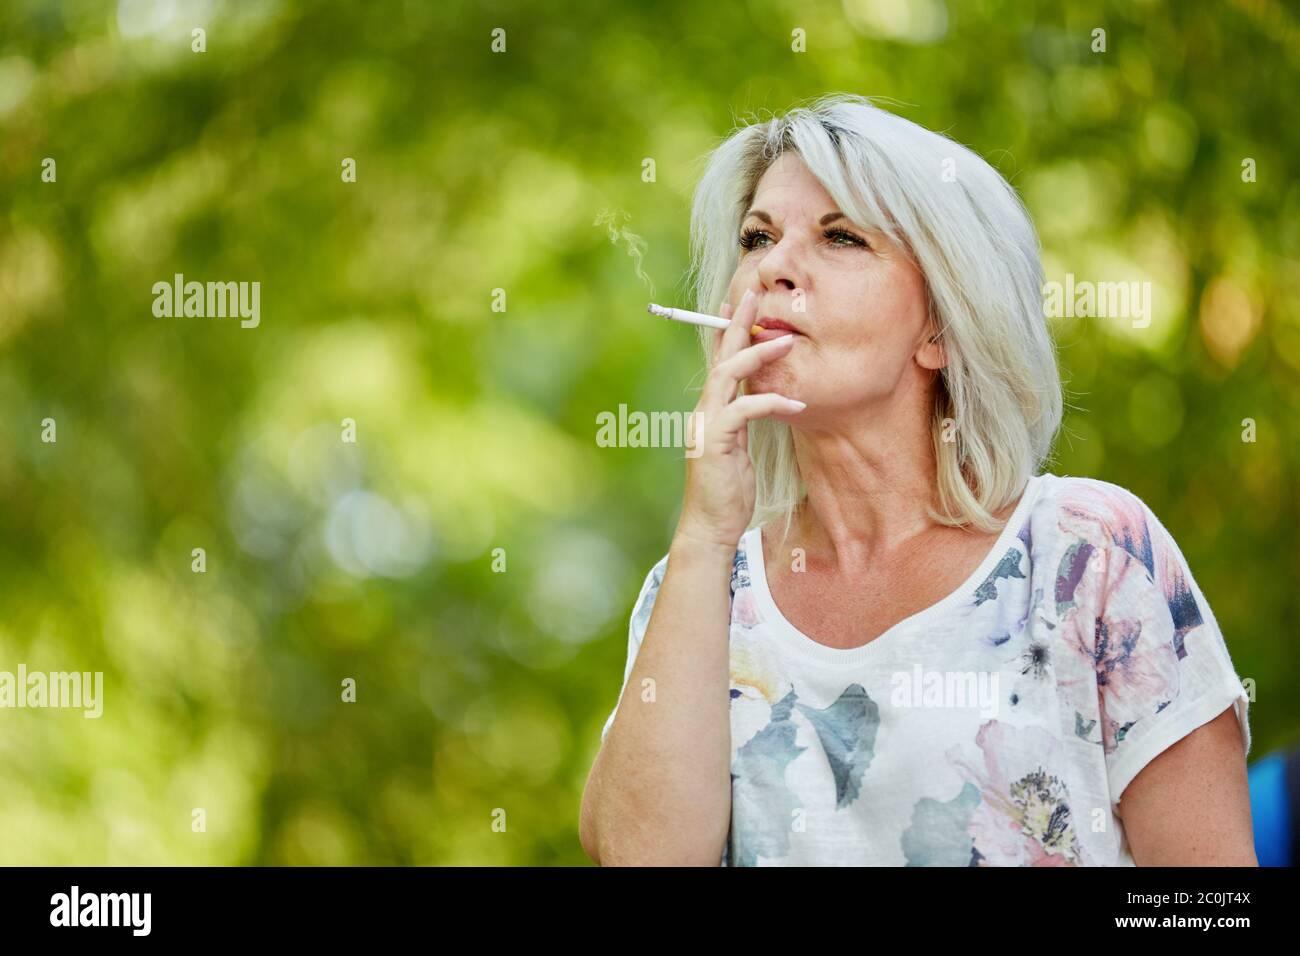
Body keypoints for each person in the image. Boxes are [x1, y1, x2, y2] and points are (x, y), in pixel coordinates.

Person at [579, 93, 1254, 866]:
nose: (772, 268)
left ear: (939, 326)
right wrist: (703, 535)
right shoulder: (698, 589)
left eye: (840, 237)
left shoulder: (1090, 554)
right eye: (756, 237)